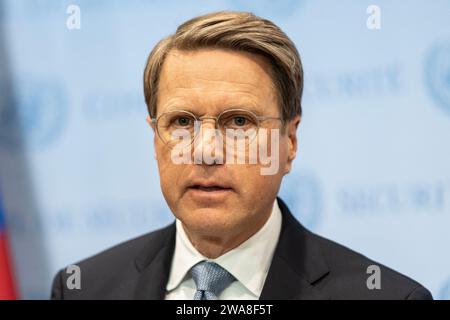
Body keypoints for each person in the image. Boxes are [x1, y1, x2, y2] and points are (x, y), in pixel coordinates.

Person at [51, 11, 432, 300]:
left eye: (238, 122)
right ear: (155, 140)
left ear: (290, 142)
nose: (205, 151)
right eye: (182, 121)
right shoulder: (83, 288)